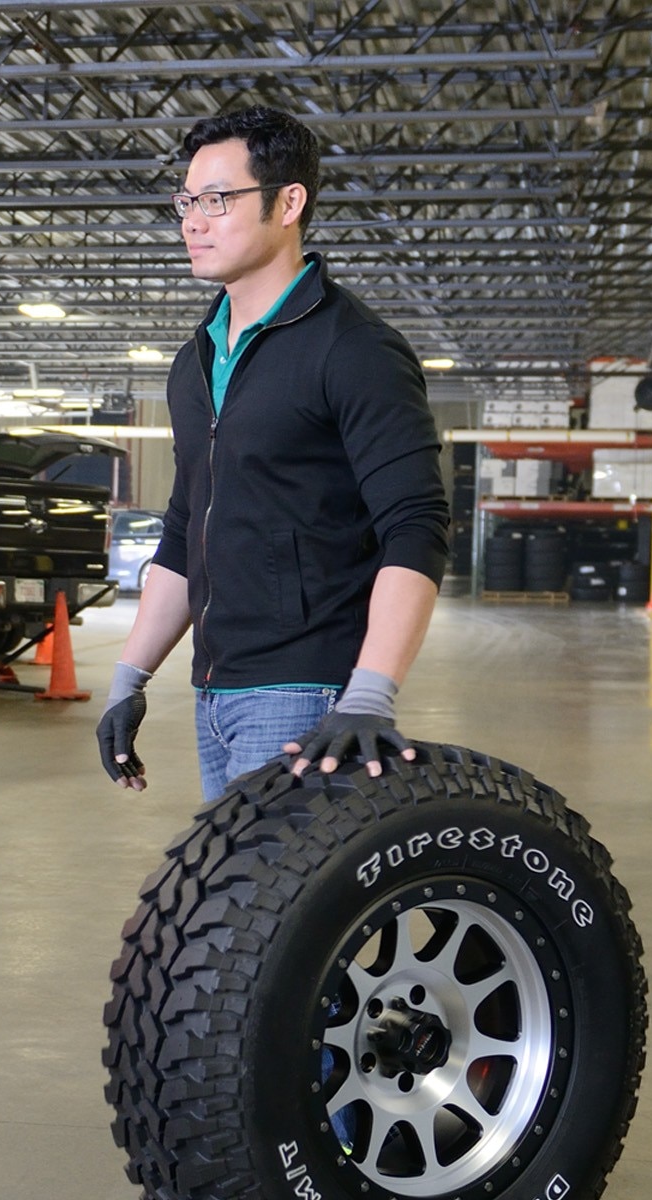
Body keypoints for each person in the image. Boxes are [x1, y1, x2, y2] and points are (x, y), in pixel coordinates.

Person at [94, 106, 450, 804]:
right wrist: (129, 679)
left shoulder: (354, 350)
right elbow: (182, 528)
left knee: (269, 907)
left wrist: (370, 692)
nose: (193, 221)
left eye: (219, 200)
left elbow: (415, 522)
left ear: (289, 202)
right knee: (242, 910)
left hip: (307, 694)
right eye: (187, 201)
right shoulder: (195, 361)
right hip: (214, 691)